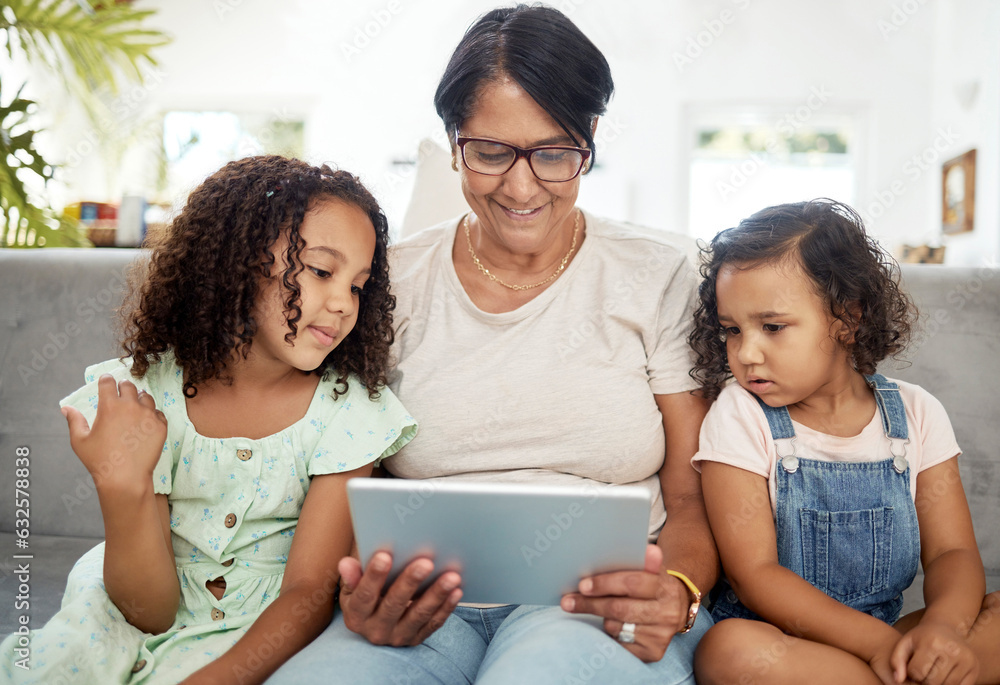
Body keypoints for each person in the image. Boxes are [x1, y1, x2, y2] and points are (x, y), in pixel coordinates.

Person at [269, 5, 717, 684]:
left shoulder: (659, 274)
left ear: (590, 138)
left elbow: (692, 496)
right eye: (490, 151)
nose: (521, 185)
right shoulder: (390, 280)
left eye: (554, 153)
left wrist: (677, 589)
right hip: (424, 613)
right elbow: (350, 467)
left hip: (593, 608)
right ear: (453, 143)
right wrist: (359, 591)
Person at [0, 156, 417, 685]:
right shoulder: (145, 396)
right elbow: (147, 611)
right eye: (320, 270)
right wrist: (122, 487)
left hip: (261, 625)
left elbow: (308, 592)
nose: (342, 304)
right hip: (121, 611)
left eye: (357, 286)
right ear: (236, 262)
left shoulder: (347, 412)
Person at [688, 199, 1000, 685]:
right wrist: (884, 649)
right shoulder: (739, 414)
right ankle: (919, 675)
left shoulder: (916, 413)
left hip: (889, 633)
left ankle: (920, 670)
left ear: (847, 318)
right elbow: (756, 576)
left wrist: (941, 630)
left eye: (773, 327)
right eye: (732, 330)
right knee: (728, 652)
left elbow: (951, 554)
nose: (746, 353)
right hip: (784, 647)